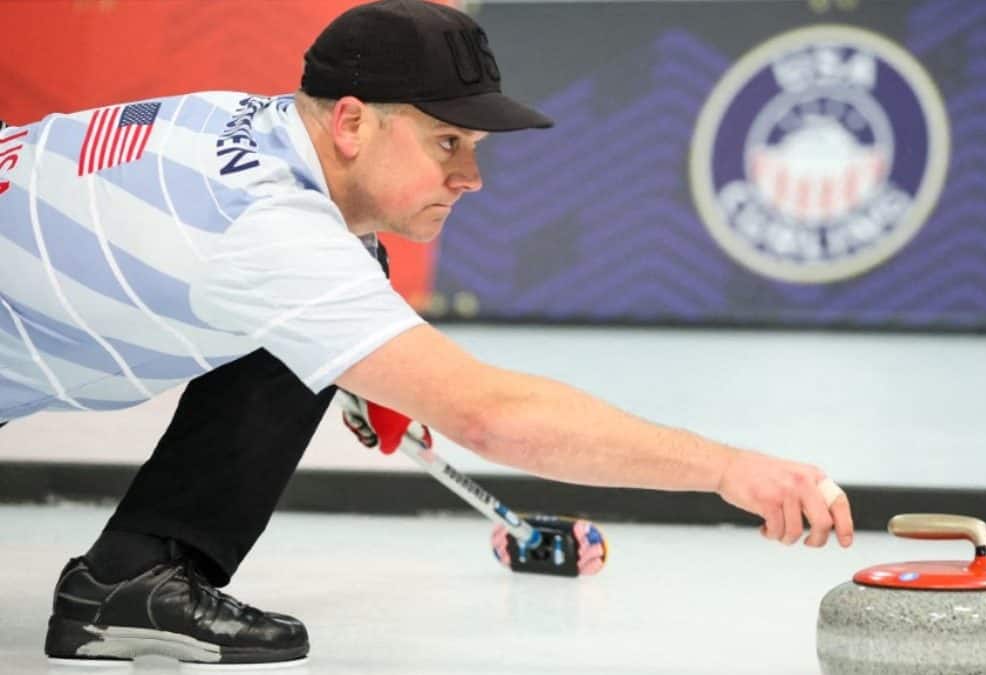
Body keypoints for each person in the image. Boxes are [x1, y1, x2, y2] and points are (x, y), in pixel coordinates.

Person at [0, 0, 854, 667]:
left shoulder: (252, 130)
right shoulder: (267, 229)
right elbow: (488, 415)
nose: (471, 177)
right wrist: (729, 467)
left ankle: (132, 577)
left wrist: (369, 371)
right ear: (351, 122)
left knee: (342, 293)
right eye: (448, 140)